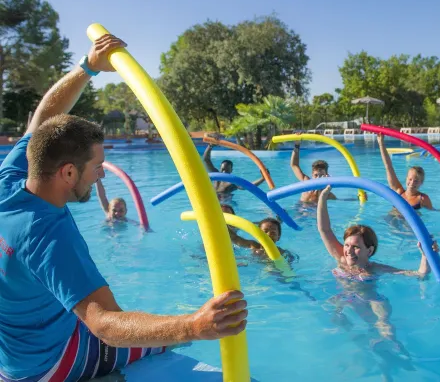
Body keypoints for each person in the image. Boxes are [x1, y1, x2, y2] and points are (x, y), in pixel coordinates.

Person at [0, 34, 247, 382]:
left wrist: (88, 67)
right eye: (97, 165)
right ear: (68, 172)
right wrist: (195, 325)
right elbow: (104, 324)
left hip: (20, 346)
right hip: (50, 364)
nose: (102, 172)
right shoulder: (48, 237)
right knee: (159, 342)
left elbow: (45, 117)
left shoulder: (9, 180)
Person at [317, 185, 439, 369]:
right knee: (332, 313)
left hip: (371, 299)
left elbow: (419, 275)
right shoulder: (340, 258)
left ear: (370, 250)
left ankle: (398, 353)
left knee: (383, 322)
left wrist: (426, 255)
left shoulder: (374, 269)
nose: (349, 250)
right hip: (345, 297)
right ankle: (364, 345)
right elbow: (325, 230)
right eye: (347, 245)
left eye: (356, 246)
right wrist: (322, 198)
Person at [377, 134, 433, 210]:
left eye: (416, 181)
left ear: (421, 182)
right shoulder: (399, 192)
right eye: (410, 179)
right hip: (392, 220)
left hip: (409, 222)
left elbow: (433, 210)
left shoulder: (423, 199)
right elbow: (388, 166)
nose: (412, 183)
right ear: (406, 179)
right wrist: (381, 144)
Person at [223, 206, 292, 261]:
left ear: (278, 237)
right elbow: (234, 238)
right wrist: (222, 223)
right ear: (257, 234)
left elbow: (289, 263)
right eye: (265, 232)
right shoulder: (254, 246)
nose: (268, 235)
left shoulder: (282, 252)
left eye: (273, 233)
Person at [290, 137, 336, 203]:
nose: (318, 178)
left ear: (326, 175)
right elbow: (294, 165)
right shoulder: (306, 181)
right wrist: (297, 145)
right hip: (300, 210)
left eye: (321, 175)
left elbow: (343, 201)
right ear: (312, 175)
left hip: (315, 212)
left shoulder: (327, 194)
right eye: (316, 175)